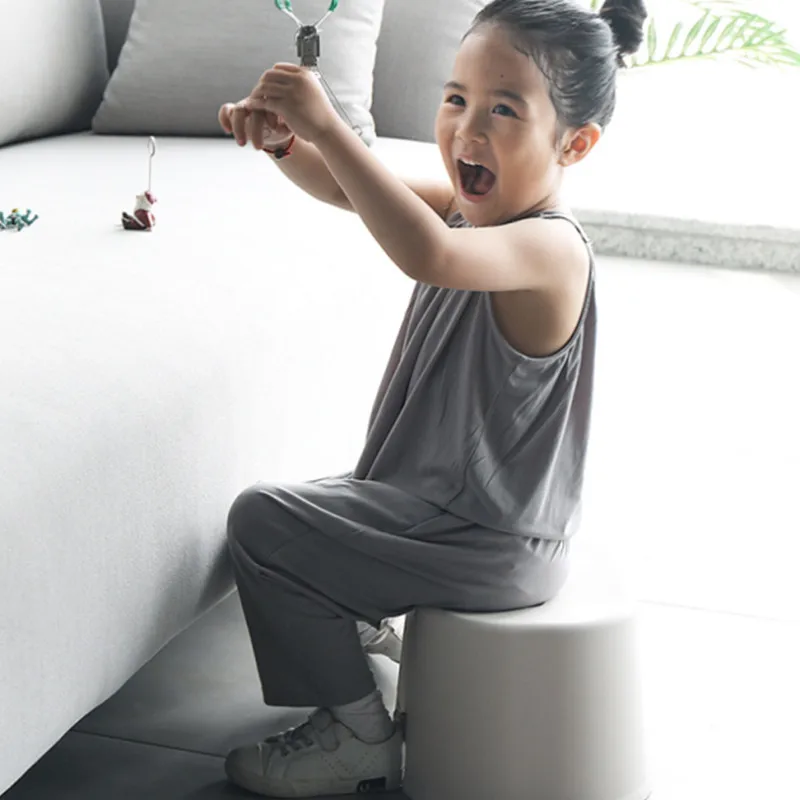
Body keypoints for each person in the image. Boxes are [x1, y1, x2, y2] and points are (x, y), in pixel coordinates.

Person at [217, 0, 646, 795]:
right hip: (450, 516)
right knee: (306, 505)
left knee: (261, 520)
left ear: (575, 144)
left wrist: (330, 123)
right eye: (456, 99)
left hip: (488, 540)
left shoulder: (550, 248)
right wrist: (287, 144)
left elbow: (430, 254)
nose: (466, 130)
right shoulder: (469, 208)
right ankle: (358, 623)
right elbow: (348, 190)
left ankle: (358, 734)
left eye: (504, 109)